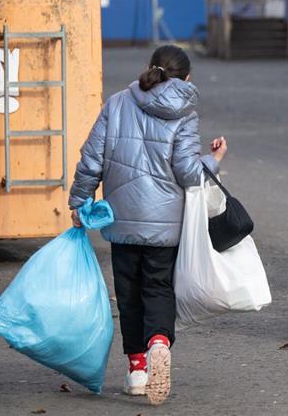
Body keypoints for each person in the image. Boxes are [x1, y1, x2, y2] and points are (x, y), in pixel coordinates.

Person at [69, 45, 227, 405]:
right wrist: (214, 159)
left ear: (150, 68)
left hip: (121, 220)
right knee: (157, 287)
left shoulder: (117, 102)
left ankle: (137, 369)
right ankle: (159, 341)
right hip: (165, 225)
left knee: (128, 295)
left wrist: (79, 202)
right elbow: (188, 173)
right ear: (187, 78)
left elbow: (90, 159)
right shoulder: (184, 114)